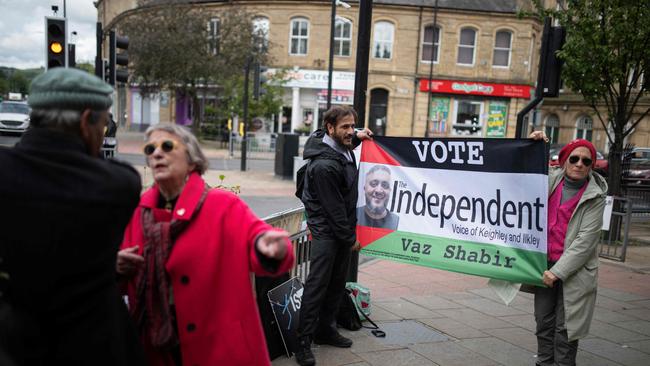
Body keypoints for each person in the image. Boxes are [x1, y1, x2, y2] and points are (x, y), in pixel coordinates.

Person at [117, 123, 295, 366]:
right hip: (157, 349)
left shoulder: (223, 205)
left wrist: (271, 247)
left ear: (192, 161)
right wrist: (116, 268)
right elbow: (119, 275)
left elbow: (258, 239)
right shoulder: (139, 213)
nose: (157, 153)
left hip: (221, 350)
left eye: (167, 146)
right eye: (150, 149)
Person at [0, 67, 145, 365]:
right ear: (85, 120)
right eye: (103, 124)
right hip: (94, 344)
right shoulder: (118, 184)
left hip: (15, 342)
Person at [295, 105, 372, 366]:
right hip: (328, 232)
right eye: (346, 127)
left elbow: (342, 142)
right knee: (317, 286)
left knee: (336, 283)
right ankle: (302, 342)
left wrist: (357, 136)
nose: (351, 131)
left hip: (338, 230)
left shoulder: (337, 146)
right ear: (330, 128)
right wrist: (350, 239)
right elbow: (334, 210)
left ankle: (326, 330)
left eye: (353, 126)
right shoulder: (324, 166)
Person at [530, 131, 607, 366]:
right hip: (544, 267)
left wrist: (557, 272)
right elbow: (523, 171)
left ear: (591, 166)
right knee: (544, 323)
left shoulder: (596, 196)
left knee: (565, 330)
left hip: (574, 272)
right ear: (564, 161)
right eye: (574, 159)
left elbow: (585, 242)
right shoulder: (550, 180)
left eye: (586, 161)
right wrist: (534, 144)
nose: (579, 164)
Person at [357, 164, 400, 230]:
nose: (379, 190)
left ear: (390, 191)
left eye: (385, 185)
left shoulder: (397, 222)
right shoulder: (353, 214)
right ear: (365, 188)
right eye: (373, 184)